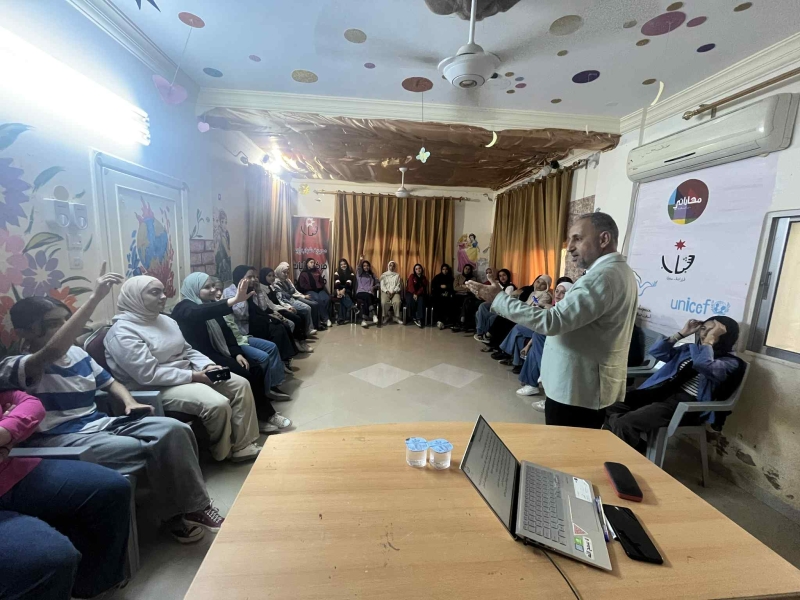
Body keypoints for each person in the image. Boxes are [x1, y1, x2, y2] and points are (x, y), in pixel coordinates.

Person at [8, 268, 225, 543]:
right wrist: (96, 297)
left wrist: (129, 401)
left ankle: (191, 508)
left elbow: (110, 382)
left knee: (175, 430)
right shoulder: (19, 365)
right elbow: (51, 351)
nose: (65, 328)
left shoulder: (77, 354)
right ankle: (180, 514)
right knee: (153, 448)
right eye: (54, 324)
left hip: (101, 424)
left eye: (66, 320)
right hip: (62, 438)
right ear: (24, 332)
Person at [468, 212, 638, 428]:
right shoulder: (615, 271)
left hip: (577, 391)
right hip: (581, 387)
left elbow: (552, 321)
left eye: (578, 238)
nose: (571, 247)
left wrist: (499, 299)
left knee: (567, 446)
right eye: (570, 240)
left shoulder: (602, 277)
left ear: (604, 239)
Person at [105, 276, 263, 463]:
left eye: (163, 291)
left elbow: (187, 350)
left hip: (187, 374)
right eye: (155, 292)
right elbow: (148, 374)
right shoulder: (123, 332)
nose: (163, 296)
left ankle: (242, 445)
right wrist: (195, 376)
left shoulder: (165, 320)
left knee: (240, 384)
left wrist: (207, 365)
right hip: (155, 387)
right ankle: (222, 452)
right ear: (135, 297)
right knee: (217, 403)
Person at [0, 390, 131, 600]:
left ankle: (94, 589)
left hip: (9, 472)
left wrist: (7, 430)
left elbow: (28, 402)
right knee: (51, 556)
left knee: (111, 488)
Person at [172, 272, 293, 431]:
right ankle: (265, 417)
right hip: (203, 358)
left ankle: (262, 412)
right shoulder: (183, 307)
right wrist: (234, 300)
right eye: (207, 287)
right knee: (246, 375)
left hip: (221, 351)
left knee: (255, 367)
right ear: (194, 289)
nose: (212, 290)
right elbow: (198, 312)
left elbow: (227, 332)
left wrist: (237, 353)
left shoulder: (209, 304)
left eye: (213, 286)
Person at [605, 317, 745, 450]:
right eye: (703, 329)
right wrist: (681, 334)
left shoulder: (730, 362)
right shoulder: (691, 349)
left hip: (684, 404)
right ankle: (631, 444)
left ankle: (623, 453)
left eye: (712, 332)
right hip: (661, 392)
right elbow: (657, 352)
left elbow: (703, 364)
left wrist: (709, 342)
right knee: (610, 405)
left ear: (726, 337)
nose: (705, 334)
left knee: (625, 423)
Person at [516, 281, 574, 411]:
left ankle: (538, 383)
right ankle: (535, 382)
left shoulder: (568, 310)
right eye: (557, 291)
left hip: (565, 347)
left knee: (536, 339)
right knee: (535, 342)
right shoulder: (557, 307)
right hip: (551, 341)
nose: (558, 295)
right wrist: (528, 345)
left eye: (563, 292)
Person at [225, 265, 298, 367]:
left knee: (280, 325)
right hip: (243, 327)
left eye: (254, 277)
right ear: (240, 277)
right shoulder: (229, 291)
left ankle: (283, 359)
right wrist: (241, 297)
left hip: (254, 320)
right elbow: (241, 315)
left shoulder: (251, 289)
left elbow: (263, 307)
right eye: (250, 277)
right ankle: (281, 361)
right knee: (276, 330)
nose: (253, 279)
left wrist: (258, 290)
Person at [484, 274, 552, 357]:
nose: (539, 285)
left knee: (508, 321)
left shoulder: (546, 296)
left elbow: (536, 308)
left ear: (547, 286)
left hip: (531, 318)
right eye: (538, 282)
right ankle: (494, 343)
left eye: (543, 284)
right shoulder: (533, 293)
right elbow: (526, 304)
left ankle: (502, 350)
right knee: (504, 317)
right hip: (525, 314)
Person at [258, 268, 312, 352]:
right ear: (263, 276)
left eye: (273, 275)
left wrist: (288, 307)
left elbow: (278, 300)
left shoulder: (270, 286)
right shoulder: (261, 289)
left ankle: (301, 340)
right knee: (296, 318)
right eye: (269, 276)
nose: (272, 278)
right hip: (273, 310)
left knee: (301, 315)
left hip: (279, 307)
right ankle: (296, 341)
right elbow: (270, 305)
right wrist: (285, 309)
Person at [274, 262, 320, 333]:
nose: (286, 274)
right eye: (284, 272)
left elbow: (293, 290)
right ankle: (308, 329)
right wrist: (289, 305)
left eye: (287, 272)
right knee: (308, 307)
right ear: (279, 271)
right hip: (289, 301)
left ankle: (314, 326)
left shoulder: (286, 280)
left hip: (293, 298)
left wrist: (302, 295)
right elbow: (283, 297)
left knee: (314, 303)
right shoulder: (276, 283)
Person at [473, 268, 515, 342]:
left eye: (504, 275)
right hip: (495, 304)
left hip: (502, 307)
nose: (502, 277)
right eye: (500, 276)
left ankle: (481, 333)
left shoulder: (510, 287)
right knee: (480, 309)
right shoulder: (498, 284)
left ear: (508, 276)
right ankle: (482, 333)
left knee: (481, 310)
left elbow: (504, 299)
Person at [297, 258, 332, 327]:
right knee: (318, 299)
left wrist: (320, 285)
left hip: (319, 290)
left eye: (313, 262)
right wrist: (310, 287)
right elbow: (302, 285)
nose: (313, 264)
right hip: (309, 290)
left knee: (327, 299)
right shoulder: (303, 273)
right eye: (311, 262)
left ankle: (321, 318)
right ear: (307, 263)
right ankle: (326, 319)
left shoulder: (317, 271)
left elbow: (321, 281)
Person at [450, 264, 475, 332]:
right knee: (454, 303)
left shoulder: (473, 279)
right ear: (463, 269)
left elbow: (472, 289)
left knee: (466, 302)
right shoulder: (458, 277)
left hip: (468, 296)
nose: (467, 270)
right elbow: (455, 287)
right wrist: (466, 287)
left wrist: (461, 286)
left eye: (469, 269)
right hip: (458, 295)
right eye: (466, 268)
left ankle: (462, 321)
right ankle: (456, 323)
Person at [355, 257, 379, 328]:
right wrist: (360, 260)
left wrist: (374, 287)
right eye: (364, 266)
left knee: (366, 300)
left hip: (369, 293)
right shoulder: (359, 274)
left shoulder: (372, 275)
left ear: (369, 267)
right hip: (360, 292)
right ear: (362, 267)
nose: (366, 267)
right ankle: (374, 314)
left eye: (367, 266)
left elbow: (378, 283)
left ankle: (364, 321)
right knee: (367, 297)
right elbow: (358, 267)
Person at [431, 264, 455, 330]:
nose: (445, 271)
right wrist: (440, 286)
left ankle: (447, 321)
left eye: (446, 269)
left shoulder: (451, 278)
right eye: (443, 269)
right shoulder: (437, 277)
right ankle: (439, 320)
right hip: (438, 295)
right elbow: (433, 286)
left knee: (450, 302)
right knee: (438, 302)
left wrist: (446, 287)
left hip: (447, 295)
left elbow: (453, 287)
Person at [333, 258, 356, 325]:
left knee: (342, 298)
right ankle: (352, 306)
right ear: (339, 266)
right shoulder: (336, 273)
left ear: (347, 264)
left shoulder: (351, 273)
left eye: (344, 264)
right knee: (343, 296)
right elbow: (337, 282)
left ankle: (341, 319)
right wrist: (338, 291)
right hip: (338, 290)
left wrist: (343, 290)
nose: (343, 265)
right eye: (341, 264)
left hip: (347, 290)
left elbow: (348, 283)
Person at [405, 264, 428, 328]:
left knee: (421, 300)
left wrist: (417, 294)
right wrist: (414, 293)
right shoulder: (412, 276)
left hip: (420, 293)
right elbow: (410, 286)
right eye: (416, 269)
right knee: (410, 300)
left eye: (419, 268)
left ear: (421, 269)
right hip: (410, 292)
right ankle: (413, 316)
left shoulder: (424, 278)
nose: (418, 270)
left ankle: (419, 318)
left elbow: (422, 288)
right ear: (414, 270)